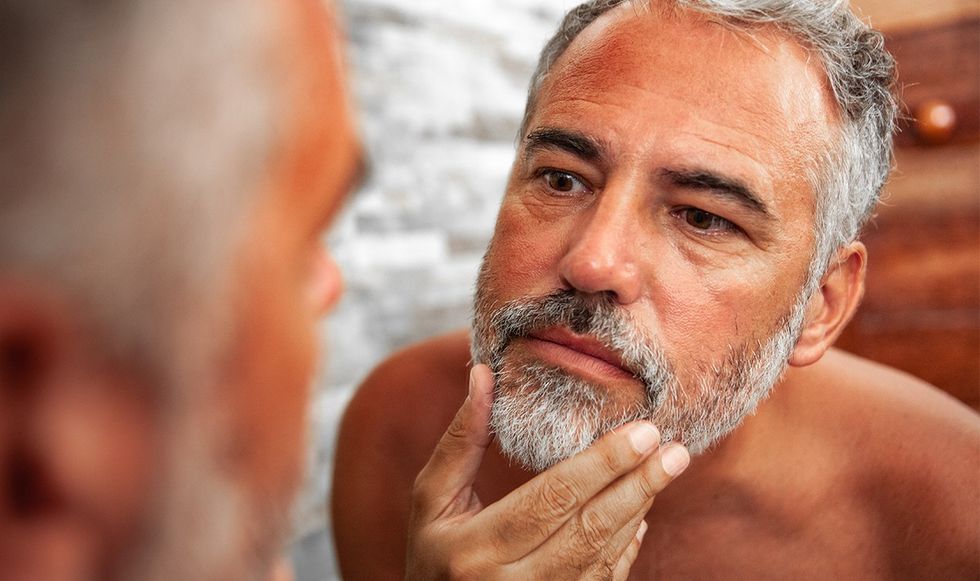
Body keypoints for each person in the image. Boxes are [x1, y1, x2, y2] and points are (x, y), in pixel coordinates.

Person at [0, 0, 690, 579]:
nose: (331, 288)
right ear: (35, 395)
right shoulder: (391, 425)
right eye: (303, 242)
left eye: (701, 218)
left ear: (807, 309)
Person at [332, 0, 980, 579]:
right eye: (562, 179)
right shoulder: (399, 430)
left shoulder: (953, 516)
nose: (593, 262)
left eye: (702, 217)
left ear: (821, 305)